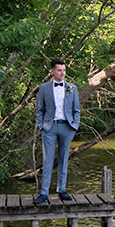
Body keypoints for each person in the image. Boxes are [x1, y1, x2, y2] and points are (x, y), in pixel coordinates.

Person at [33, 59, 80, 204]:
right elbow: (39, 109)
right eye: (59, 70)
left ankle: (62, 190)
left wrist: (75, 125)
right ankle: (44, 193)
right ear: (52, 71)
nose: (63, 73)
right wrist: (41, 126)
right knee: (47, 160)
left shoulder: (72, 88)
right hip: (49, 128)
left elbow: (76, 110)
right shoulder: (44, 88)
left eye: (64, 70)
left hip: (67, 127)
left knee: (63, 158)